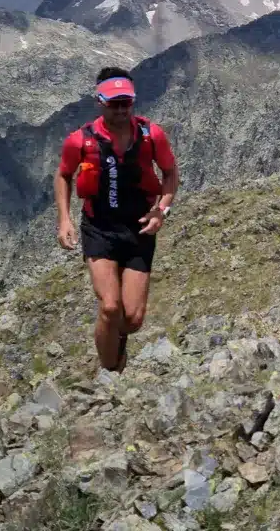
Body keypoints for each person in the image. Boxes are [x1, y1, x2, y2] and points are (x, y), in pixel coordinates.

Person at [55, 67, 179, 374]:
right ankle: (110, 374)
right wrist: (64, 220)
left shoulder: (152, 135)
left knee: (133, 320)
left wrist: (161, 211)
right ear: (99, 101)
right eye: (114, 103)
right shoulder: (79, 140)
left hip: (139, 229)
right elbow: (63, 175)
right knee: (110, 307)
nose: (121, 109)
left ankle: (116, 339)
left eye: (126, 102)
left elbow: (171, 174)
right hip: (100, 228)